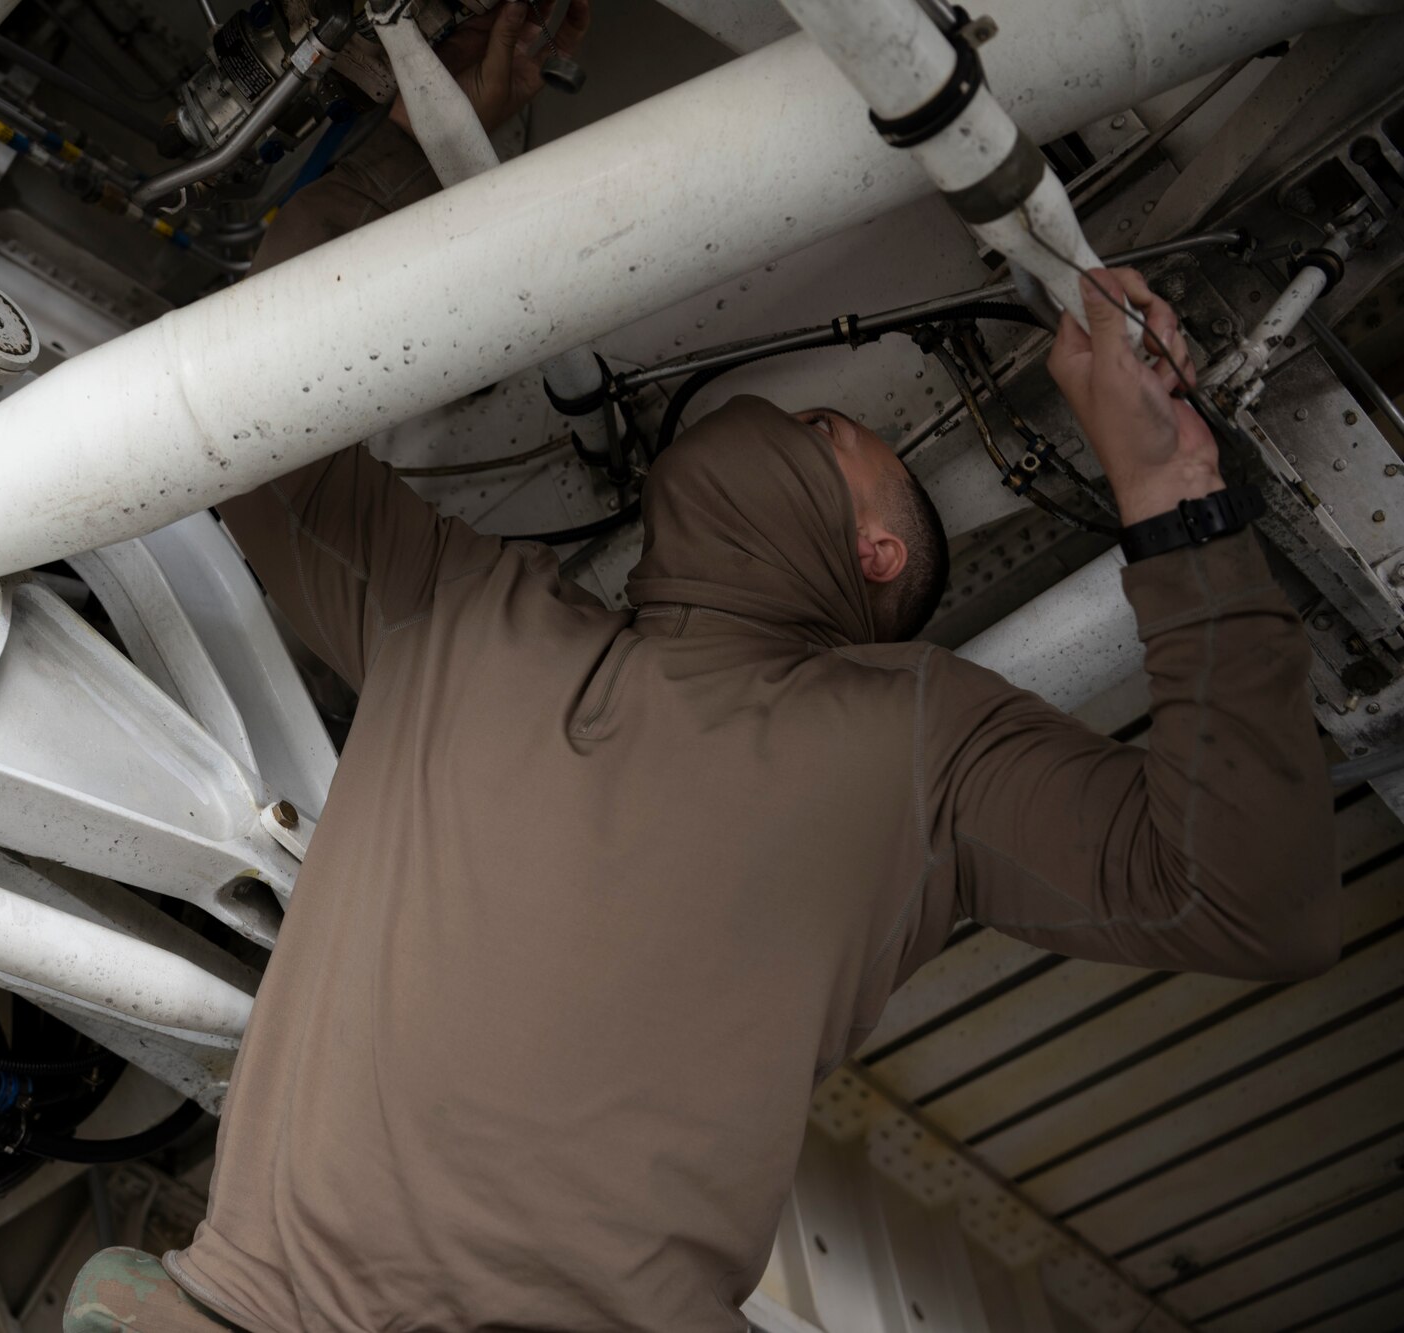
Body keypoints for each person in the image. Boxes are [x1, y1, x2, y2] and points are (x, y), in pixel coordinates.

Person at [67, 4, 1340, 1328]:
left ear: (882, 552)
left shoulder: (919, 738)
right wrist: (419, 145)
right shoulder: (459, 606)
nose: (807, 411)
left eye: (838, 426)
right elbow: (250, 408)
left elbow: (1250, 895)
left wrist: (1171, 490)